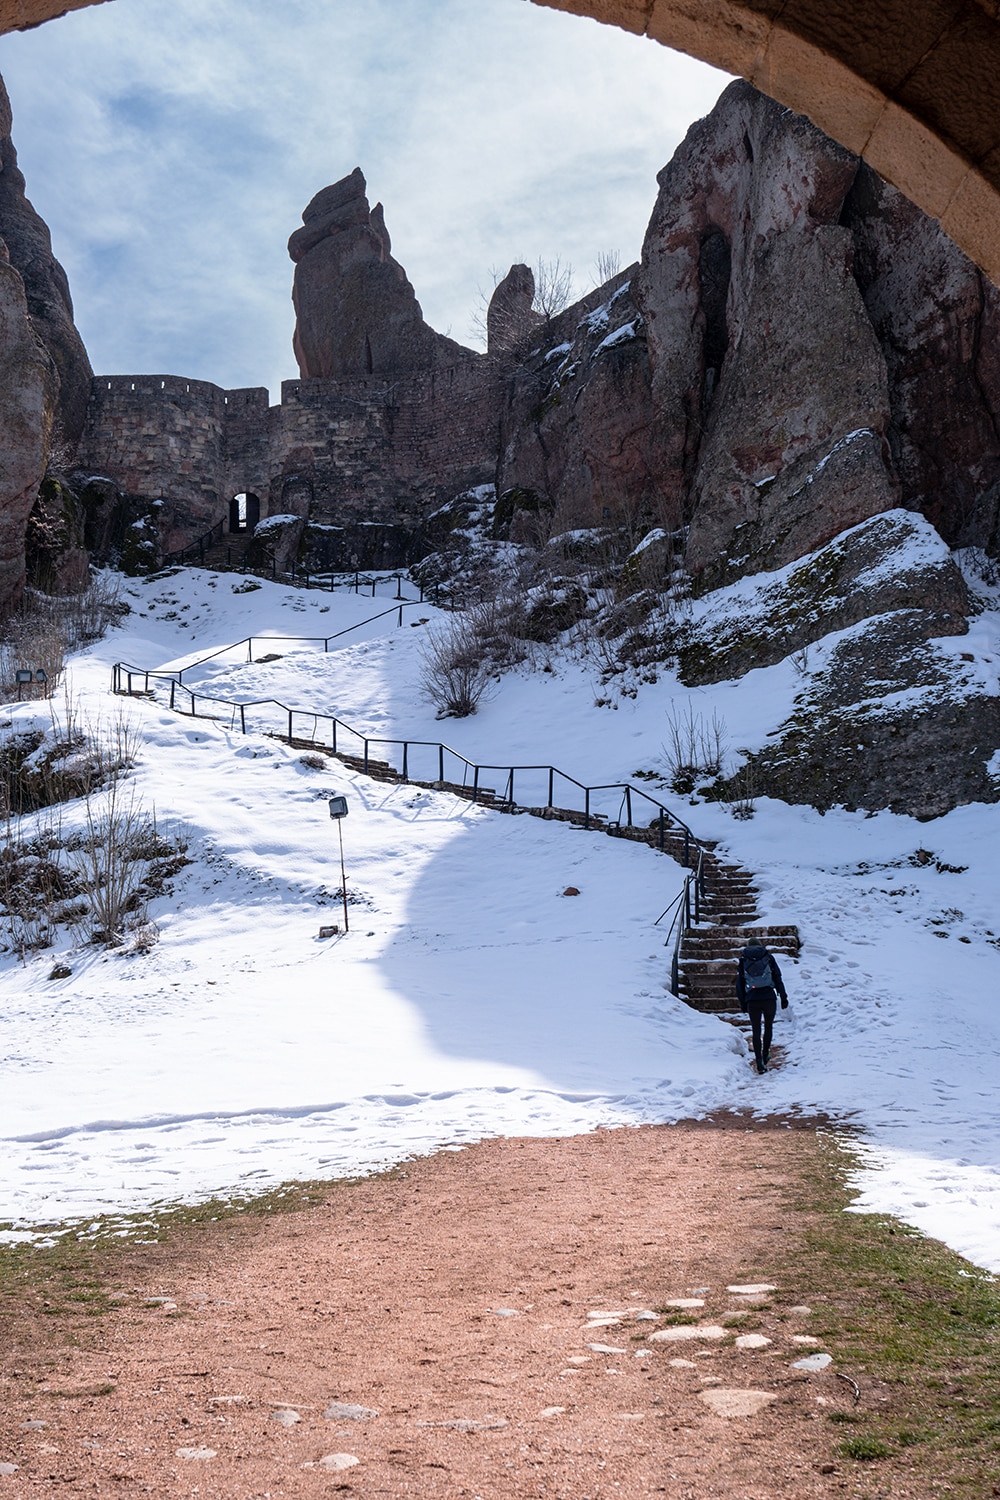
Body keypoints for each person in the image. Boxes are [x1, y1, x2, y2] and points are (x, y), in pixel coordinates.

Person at [736, 942, 788, 1074]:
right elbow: (777, 977)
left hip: (752, 999)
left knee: (756, 1030)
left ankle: (759, 1061)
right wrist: (783, 996)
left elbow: (740, 984)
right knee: (769, 1026)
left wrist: (743, 1003)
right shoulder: (768, 958)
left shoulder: (744, 961)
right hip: (769, 997)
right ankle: (765, 1055)